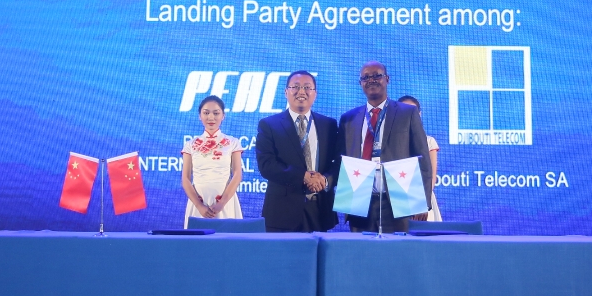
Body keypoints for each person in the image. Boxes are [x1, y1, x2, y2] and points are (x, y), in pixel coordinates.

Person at [338, 62, 433, 233]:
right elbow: (342, 160)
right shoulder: (348, 118)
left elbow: (423, 160)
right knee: (360, 249)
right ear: (360, 83)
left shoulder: (407, 113)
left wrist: (422, 202)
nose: (371, 80)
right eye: (366, 77)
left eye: (377, 75)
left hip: (400, 199)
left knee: (397, 250)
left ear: (387, 79)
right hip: (359, 200)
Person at [256, 70, 340, 231]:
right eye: (295, 86)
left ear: (315, 94)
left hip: (320, 210)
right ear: (286, 92)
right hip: (282, 212)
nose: (301, 92)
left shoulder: (329, 125)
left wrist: (325, 180)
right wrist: (303, 176)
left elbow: (338, 162)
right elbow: (266, 165)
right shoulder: (269, 125)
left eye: (307, 87)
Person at [181, 95, 243, 228]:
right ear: (200, 116)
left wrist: (221, 203)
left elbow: (237, 175)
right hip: (198, 203)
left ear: (223, 116)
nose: (211, 117)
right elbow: (185, 179)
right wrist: (199, 205)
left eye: (216, 113)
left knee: (227, 239)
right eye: (206, 113)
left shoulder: (233, 142)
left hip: (225, 203)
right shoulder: (190, 145)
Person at [399, 96, 442, 222]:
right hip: (396, 199)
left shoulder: (429, 141)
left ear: (419, 114)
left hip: (422, 201)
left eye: (412, 112)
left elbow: (431, 178)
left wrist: (420, 203)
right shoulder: (388, 143)